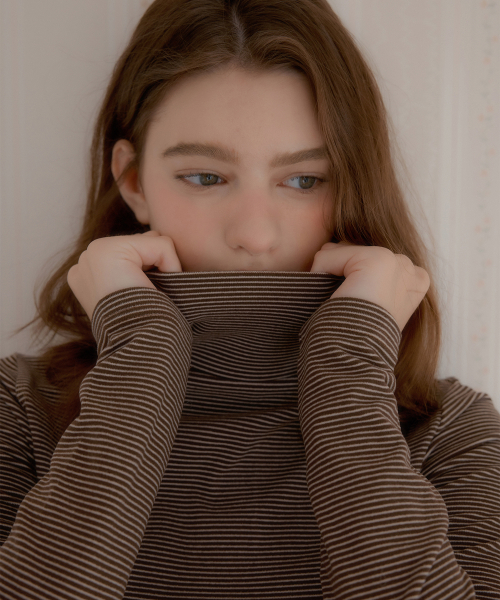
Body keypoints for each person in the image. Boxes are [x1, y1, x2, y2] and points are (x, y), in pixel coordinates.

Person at [1, 0, 499, 598]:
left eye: (304, 180)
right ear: (132, 182)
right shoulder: (20, 410)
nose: (255, 235)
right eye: (205, 177)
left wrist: (346, 369)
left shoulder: (452, 431)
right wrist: (142, 354)